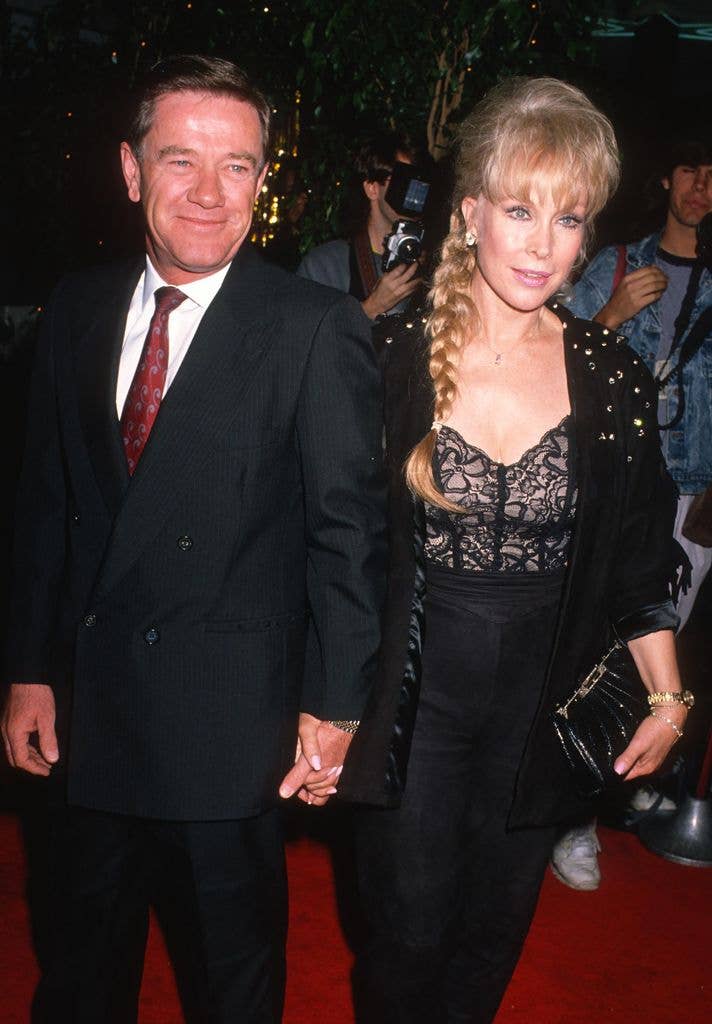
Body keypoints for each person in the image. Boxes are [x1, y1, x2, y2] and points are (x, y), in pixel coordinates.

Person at [1, 54, 386, 1024]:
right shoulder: (77, 308)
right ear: (131, 170)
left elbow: (348, 533)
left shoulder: (315, 327)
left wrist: (335, 705)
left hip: (228, 728)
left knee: (230, 980)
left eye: (239, 166)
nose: (209, 194)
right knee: (80, 962)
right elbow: (46, 502)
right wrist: (30, 667)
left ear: (266, 179)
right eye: (180, 161)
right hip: (89, 711)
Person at [328, 77, 691, 1024]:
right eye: (520, 210)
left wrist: (667, 695)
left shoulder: (609, 376)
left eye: (568, 218)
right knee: (402, 937)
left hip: (542, 708)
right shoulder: (393, 355)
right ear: (471, 213)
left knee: (494, 934)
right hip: (413, 707)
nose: (542, 243)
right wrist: (318, 703)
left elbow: (640, 557)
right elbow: (339, 548)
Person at [551, 138, 712, 891]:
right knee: (593, 649)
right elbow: (551, 361)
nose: (701, 187)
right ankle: (576, 816)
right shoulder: (614, 263)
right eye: (690, 169)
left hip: (692, 496)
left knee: (657, 658)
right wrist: (611, 314)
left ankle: (619, 777)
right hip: (612, 487)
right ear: (666, 177)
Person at [297, 131, 422, 319]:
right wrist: (371, 308)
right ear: (372, 188)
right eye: (402, 181)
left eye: (417, 182)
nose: (411, 192)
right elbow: (301, 341)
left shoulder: (428, 268)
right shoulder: (325, 265)